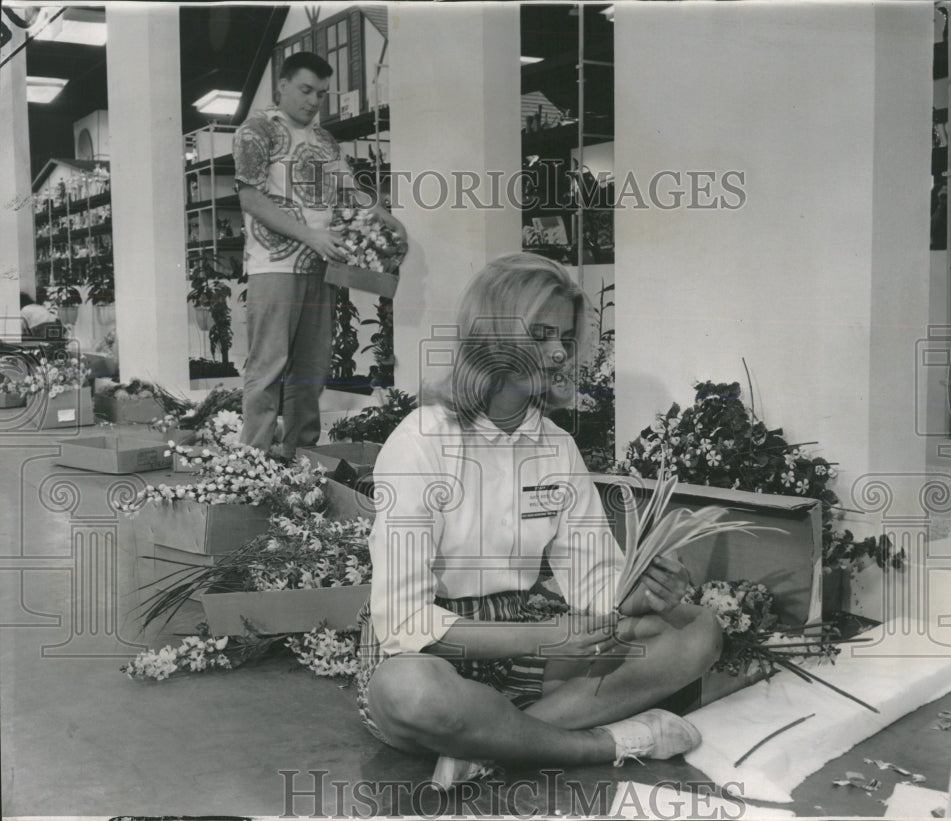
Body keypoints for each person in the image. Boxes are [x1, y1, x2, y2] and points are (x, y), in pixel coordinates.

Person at [356, 253, 722, 788]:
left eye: (566, 338)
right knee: (411, 692)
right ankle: (601, 742)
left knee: (698, 631)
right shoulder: (419, 440)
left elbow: (595, 581)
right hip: (434, 653)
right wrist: (546, 637)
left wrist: (646, 591)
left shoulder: (557, 446)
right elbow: (405, 624)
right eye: (542, 334)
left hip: (526, 647)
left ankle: (493, 742)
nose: (558, 352)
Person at [233, 51, 406, 459]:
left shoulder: (324, 140)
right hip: (273, 268)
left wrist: (383, 214)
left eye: (322, 94)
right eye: (306, 90)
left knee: (310, 373)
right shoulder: (256, 130)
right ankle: (253, 464)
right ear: (283, 85)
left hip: (322, 267)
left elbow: (349, 191)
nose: (313, 101)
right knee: (268, 369)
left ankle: (301, 457)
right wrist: (311, 236)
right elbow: (251, 199)